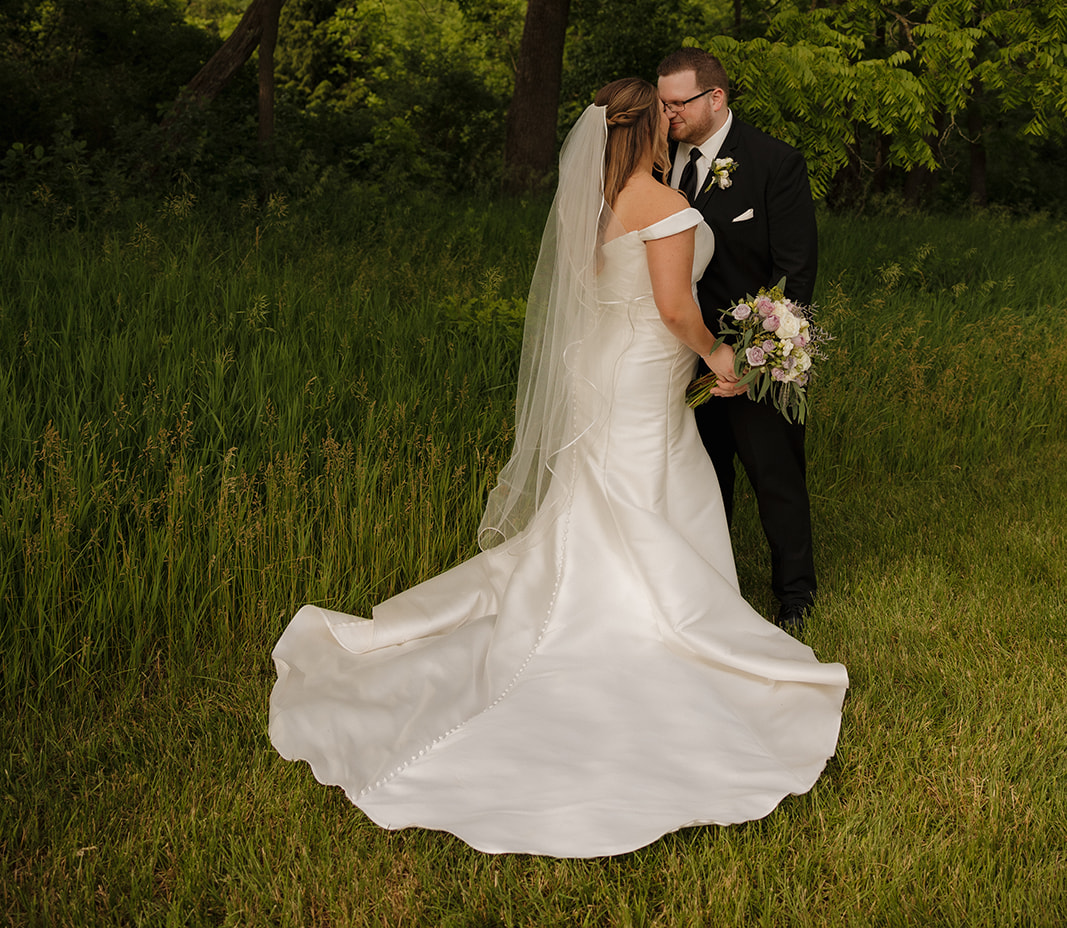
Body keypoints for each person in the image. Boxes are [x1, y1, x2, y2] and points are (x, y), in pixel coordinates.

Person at [269, 79, 847, 859]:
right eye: (664, 116)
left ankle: (600, 596)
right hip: (644, 370)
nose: (674, 124)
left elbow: (596, 296)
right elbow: (676, 310)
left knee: (604, 492)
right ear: (647, 131)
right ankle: (648, 623)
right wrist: (718, 355)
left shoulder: (597, 202)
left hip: (603, 373)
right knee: (647, 488)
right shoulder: (663, 204)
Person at [656, 48, 820, 633]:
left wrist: (754, 359)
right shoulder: (656, 162)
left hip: (753, 355)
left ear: (715, 98)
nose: (668, 113)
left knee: (774, 474)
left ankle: (796, 594)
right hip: (679, 354)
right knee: (702, 477)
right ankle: (712, 589)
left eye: (679, 103)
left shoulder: (774, 162)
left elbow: (795, 272)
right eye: (663, 102)